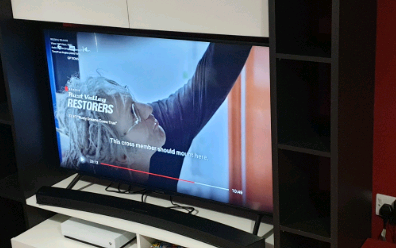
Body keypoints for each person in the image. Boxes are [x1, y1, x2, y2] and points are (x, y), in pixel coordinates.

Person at [57, 42, 251, 192]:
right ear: (122, 156)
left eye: (133, 100)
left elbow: (216, 71)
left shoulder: (163, 124)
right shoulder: (83, 182)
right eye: (133, 113)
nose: (148, 109)